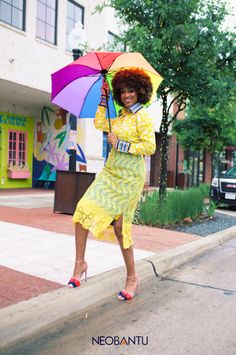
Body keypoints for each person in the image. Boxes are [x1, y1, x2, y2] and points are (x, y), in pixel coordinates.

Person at [68, 68, 156, 301]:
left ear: (140, 91)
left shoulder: (143, 117)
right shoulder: (120, 116)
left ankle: (132, 277)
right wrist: (104, 99)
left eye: (131, 90)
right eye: (123, 91)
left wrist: (122, 145)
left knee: (119, 227)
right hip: (111, 172)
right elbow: (99, 123)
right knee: (82, 210)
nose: (127, 95)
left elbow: (150, 147)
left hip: (130, 177)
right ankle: (80, 263)